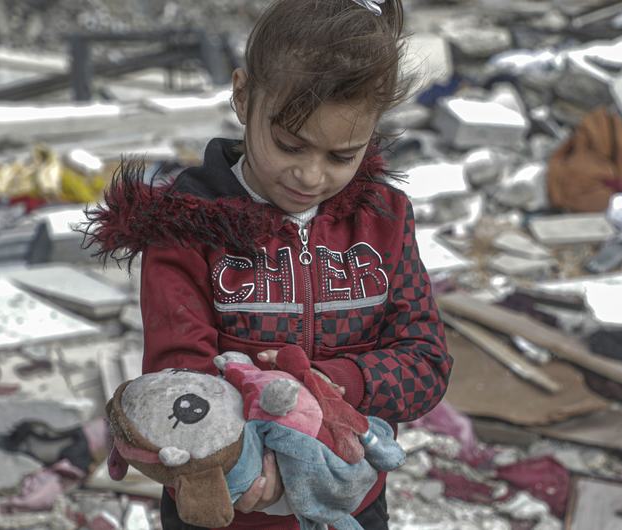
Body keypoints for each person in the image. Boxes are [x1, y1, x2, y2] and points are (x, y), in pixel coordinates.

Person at [84, 0, 451, 527]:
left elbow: (426, 363)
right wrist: (257, 464)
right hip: (227, 503)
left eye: (341, 155)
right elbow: (178, 383)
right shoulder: (187, 227)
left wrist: (322, 390)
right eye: (289, 145)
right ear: (242, 94)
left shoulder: (385, 220)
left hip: (349, 502)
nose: (310, 175)